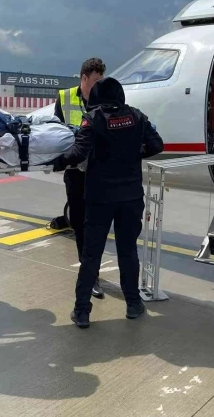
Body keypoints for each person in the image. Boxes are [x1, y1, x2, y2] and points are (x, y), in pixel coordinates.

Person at [52, 77, 164, 328]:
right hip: (131, 198)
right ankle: (133, 304)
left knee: (91, 255)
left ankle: (82, 311)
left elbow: (78, 153)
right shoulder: (137, 117)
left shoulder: (92, 119)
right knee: (128, 252)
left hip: (100, 198)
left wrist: (56, 162)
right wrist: (135, 153)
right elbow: (157, 145)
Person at [52, 57, 107, 299]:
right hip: (75, 172)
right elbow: (55, 131)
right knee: (80, 224)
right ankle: (89, 273)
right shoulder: (64, 98)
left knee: (95, 225)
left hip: (99, 172)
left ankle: (91, 272)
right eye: (95, 81)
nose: (98, 86)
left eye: (101, 81)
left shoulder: (105, 98)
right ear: (83, 78)